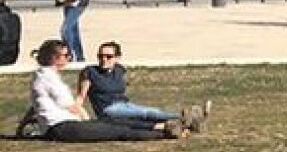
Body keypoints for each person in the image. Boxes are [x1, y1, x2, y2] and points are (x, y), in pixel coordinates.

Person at [22, 40, 199, 142]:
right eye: (66, 55)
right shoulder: (49, 78)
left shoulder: (43, 75)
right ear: (54, 58)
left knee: (117, 123)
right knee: (116, 131)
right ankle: (166, 133)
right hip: (62, 128)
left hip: (66, 125)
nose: (69, 58)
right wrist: (87, 120)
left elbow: (37, 104)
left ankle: (166, 126)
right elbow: (72, 106)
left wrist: (22, 126)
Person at [76, 41, 205, 128]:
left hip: (124, 104)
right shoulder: (90, 72)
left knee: (150, 112)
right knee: (145, 113)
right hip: (108, 109)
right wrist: (81, 114)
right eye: (100, 56)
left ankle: (189, 122)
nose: (104, 59)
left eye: (108, 56)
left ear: (117, 58)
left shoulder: (119, 70)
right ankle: (184, 117)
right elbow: (81, 96)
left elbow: (125, 83)